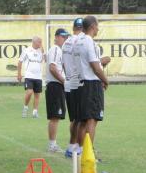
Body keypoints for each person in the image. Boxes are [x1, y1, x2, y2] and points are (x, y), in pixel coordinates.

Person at [73, 16, 109, 148]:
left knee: (83, 121)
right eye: (97, 26)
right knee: (92, 120)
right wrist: (105, 80)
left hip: (80, 83)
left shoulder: (77, 41)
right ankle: (89, 154)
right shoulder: (89, 41)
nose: (98, 28)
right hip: (91, 84)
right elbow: (95, 66)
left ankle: (81, 152)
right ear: (93, 26)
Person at [45, 29, 69, 153]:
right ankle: (52, 145)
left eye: (66, 37)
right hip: (55, 85)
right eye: (63, 37)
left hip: (57, 86)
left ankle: (53, 144)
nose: (65, 39)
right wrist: (64, 82)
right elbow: (53, 68)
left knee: (56, 116)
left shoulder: (60, 51)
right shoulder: (55, 49)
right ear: (57, 37)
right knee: (55, 116)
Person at [61, 18, 83, 157]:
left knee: (74, 119)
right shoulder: (79, 41)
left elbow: (63, 64)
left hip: (68, 83)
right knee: (82, 119)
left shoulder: (65, 43)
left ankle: (71, 147)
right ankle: (80, 149)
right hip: (78, 83)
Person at [17, 36, 44, 118]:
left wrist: (43, 52)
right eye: (39, 42)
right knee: (29, 92)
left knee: (37, 95)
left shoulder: (41, 51)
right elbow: (20, 62)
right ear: (34, 42)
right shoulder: (26, 50)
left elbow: (44, 60)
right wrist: (19, 74)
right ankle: (25, 108)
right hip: (29, 76)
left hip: (38, 76)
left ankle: (35, 112)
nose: (40, 44)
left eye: (41, 42)